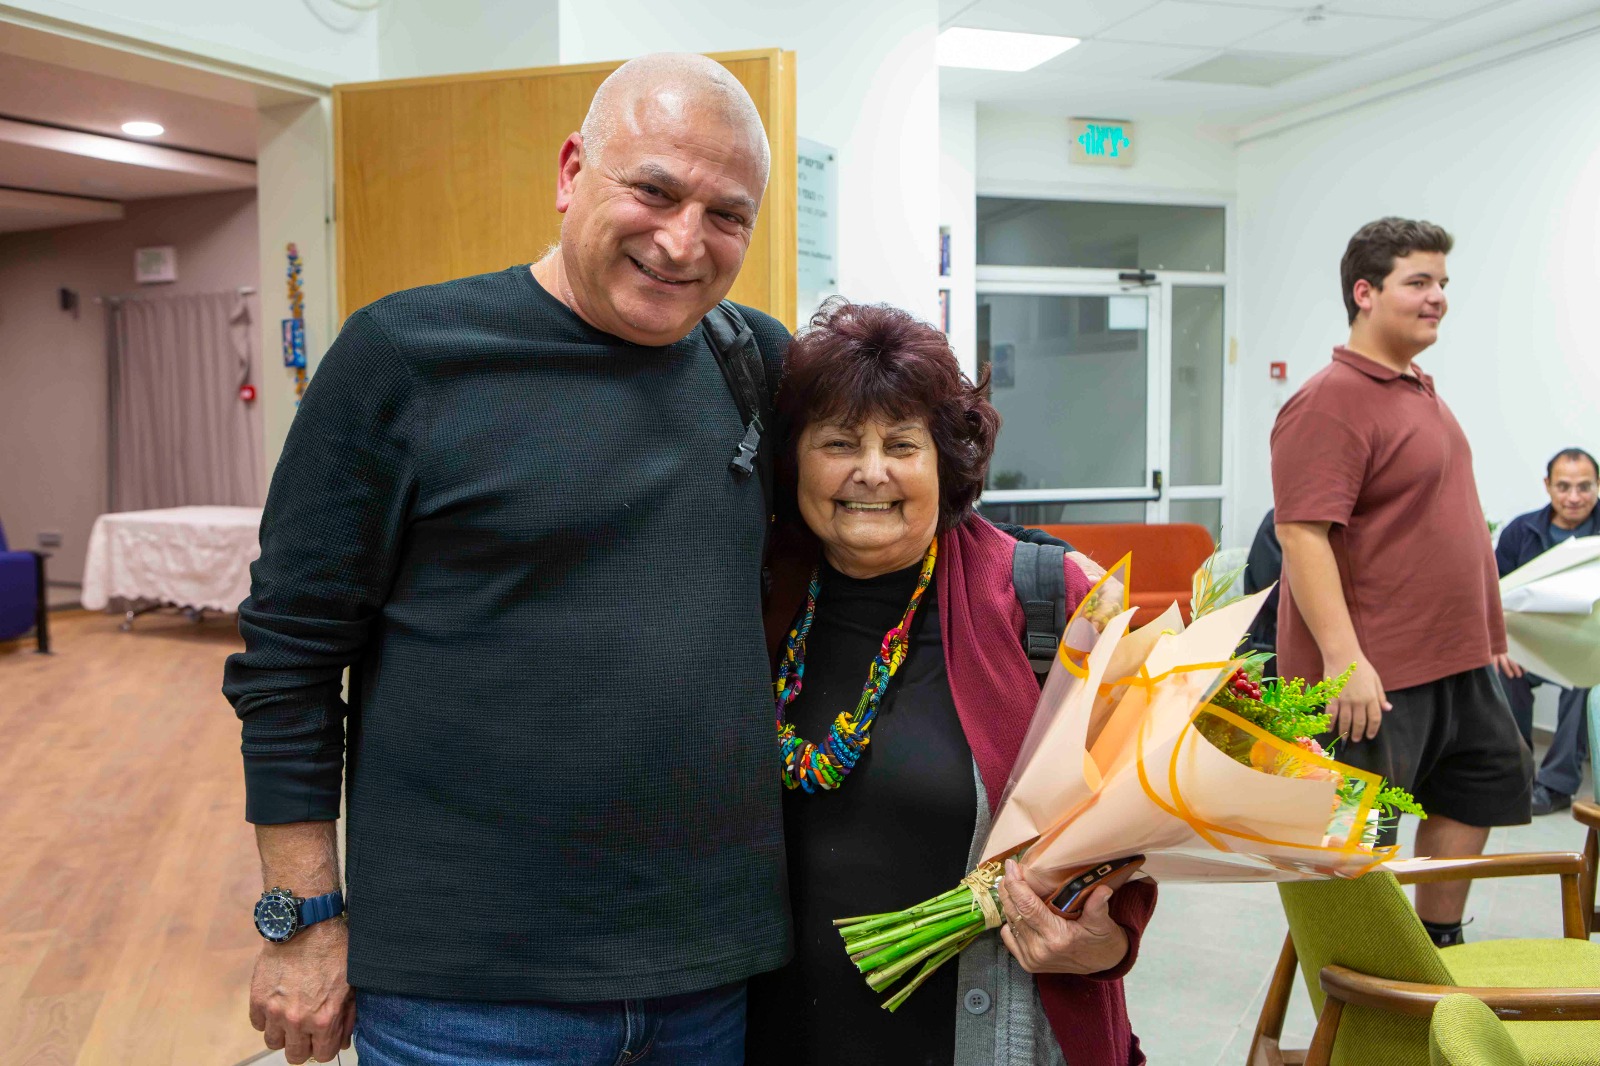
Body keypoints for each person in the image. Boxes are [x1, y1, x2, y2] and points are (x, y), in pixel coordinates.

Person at [223, 54, 793, 1065]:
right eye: (654, 190)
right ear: (573, 171)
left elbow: (896, 523)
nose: (682, 241)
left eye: (726, 215)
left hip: (708, 973)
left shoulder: (756, 364)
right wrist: (301, 921)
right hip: (466, 995)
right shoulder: (406, 357)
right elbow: (288, 661)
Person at [746, 301, 1156, 1066]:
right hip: (784, 1035)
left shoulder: (1050, 600)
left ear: (945, 461)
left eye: (901, 444)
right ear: (794, 461)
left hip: (985, 1033)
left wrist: (1107, 941)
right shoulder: (756, 598)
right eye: (839, 442)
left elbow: (1130, 836)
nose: (871, 471)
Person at [1270, 217, 1531, 950]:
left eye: (1442, 282)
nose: (1438, 296)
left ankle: (1436, 944)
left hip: (1454, 658)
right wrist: (1344, 659)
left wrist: (1489, 634)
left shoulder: (1416, 389)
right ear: (1365, 293)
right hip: (1375, 673)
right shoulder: (1330, 399)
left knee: (1484, 777)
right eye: (1418, 282)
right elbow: (1302, 534)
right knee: (1364, 831)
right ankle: (1365, 975)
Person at [1494, 447, 1598, 813]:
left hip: (1588, 646)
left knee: (1586, 679)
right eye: (1564, 486)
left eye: (1584, 487)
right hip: (1530, 646)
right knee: (1503, 670)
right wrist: (1501, 644)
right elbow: (1493, 594)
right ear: (1547, 485)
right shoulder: (1521, 531)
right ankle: (1516, 775)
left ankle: (1556, 786)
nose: (1574, 497)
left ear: (1598, 485)